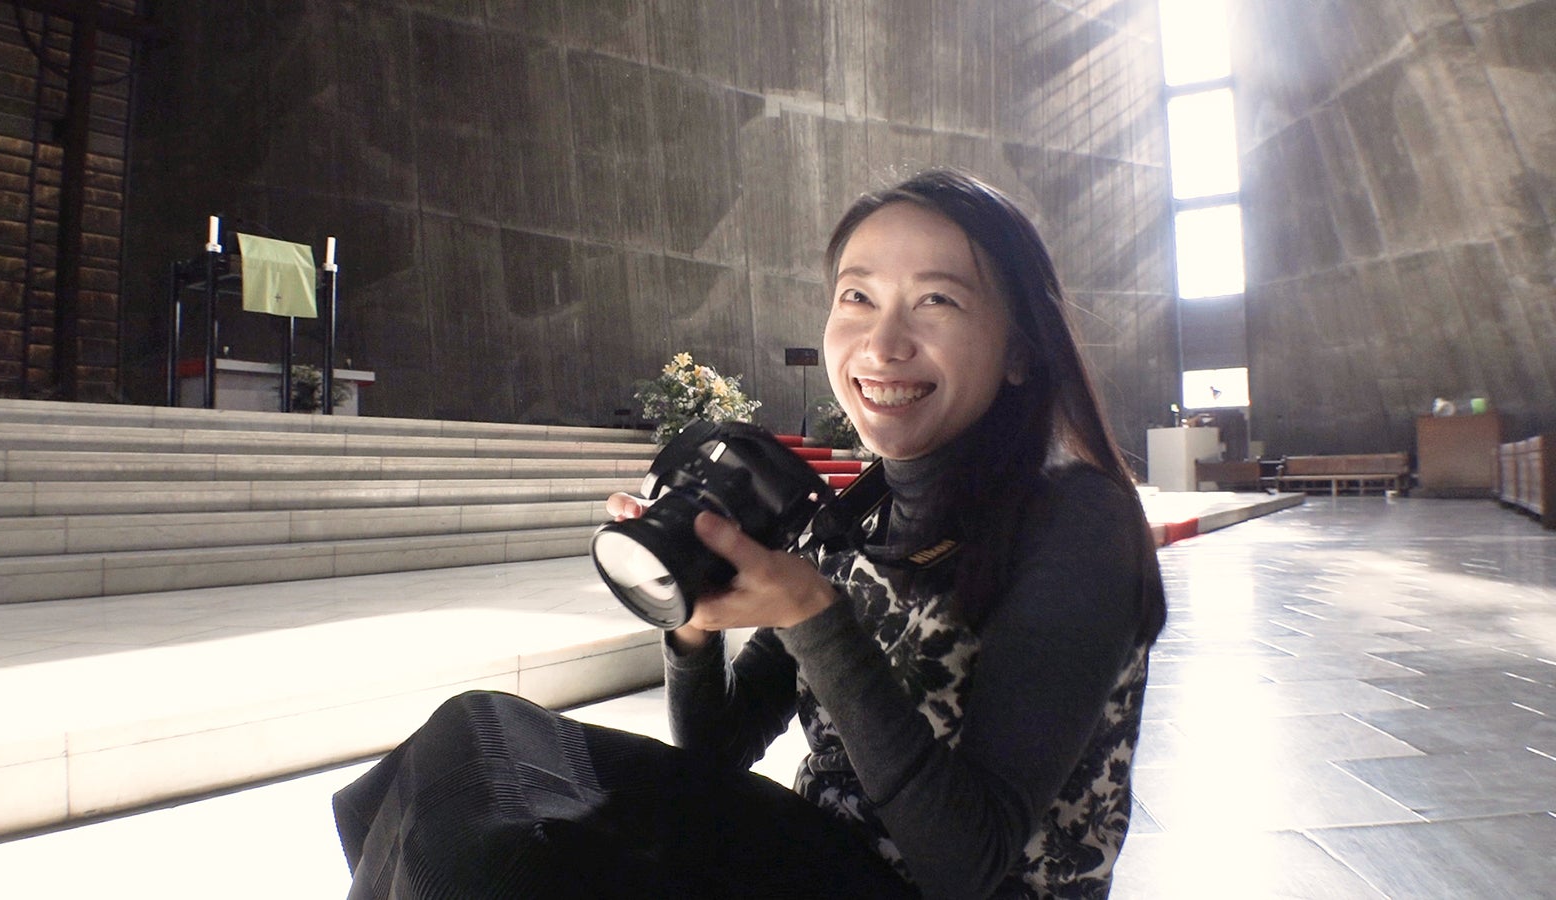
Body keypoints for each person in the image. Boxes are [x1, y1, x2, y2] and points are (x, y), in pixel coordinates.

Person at [334, 169, 1166, 899]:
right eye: (858, 297)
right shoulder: (860, 511)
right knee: (473, 742)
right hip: (822, 861)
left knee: (501, 864)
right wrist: (692, 620)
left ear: (1021, 351)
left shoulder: (1077, 520)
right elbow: (717, 749)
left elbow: (968, 866)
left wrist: (814, 617)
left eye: (936, 301)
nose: (882, 344)